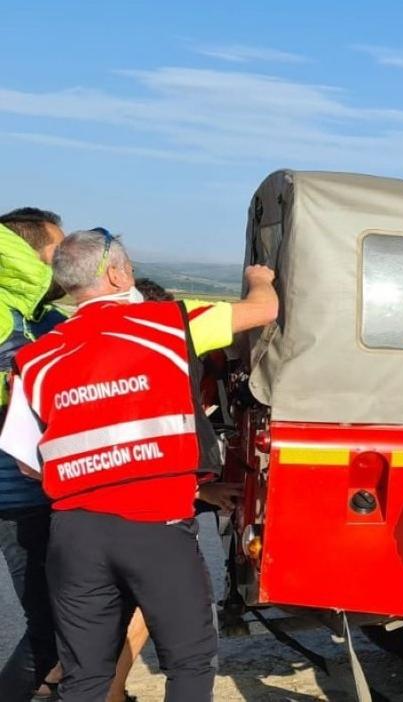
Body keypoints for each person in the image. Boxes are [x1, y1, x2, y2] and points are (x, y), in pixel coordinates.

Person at [0, 229, 278, 702]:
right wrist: (260, 277)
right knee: (189, 662)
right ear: (115, 272)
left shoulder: (37, 357)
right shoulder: (169, 323)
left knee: (85, 675)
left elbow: (28, 464)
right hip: (155, 528)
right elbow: (263, 311)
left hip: (73, 535)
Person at [106, 276, 242, 702]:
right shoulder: (160, 358)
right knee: (190, 640)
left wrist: (202, 493)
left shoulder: (112, 361)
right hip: (151, 517)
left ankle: (104, 690)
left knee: (134, 608)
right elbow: (144, 460)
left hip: (106, 517)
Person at [0, 208, 66, 701]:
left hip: (35, 493)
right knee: (51, 635)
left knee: (61, 626)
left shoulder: (34, 313)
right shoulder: (6, 311)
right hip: (15, 495)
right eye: (57, 251)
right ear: (30, 251)